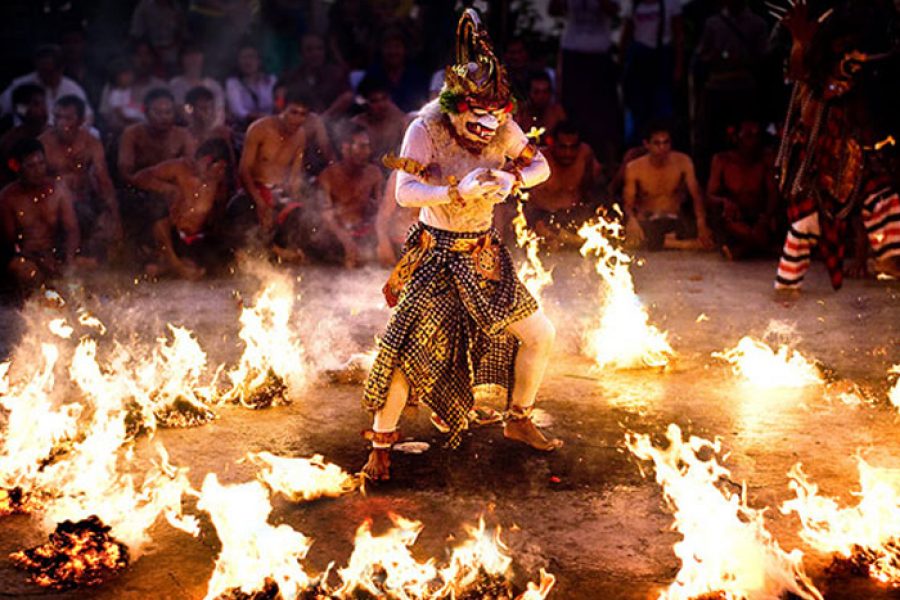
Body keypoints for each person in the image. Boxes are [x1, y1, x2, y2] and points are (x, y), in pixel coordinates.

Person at [362, 10, 561, 482]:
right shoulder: (424, 128)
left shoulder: (504, 127)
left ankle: (519, 418)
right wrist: (455, 192)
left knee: (540, 334)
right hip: (435, 255)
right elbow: (403, 192)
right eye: (477, 118)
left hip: (483, 254)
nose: (487, 129)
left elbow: (542, 167)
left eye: (496, 119)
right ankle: (380, 447)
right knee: (407, 355)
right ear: (456, 105)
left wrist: (512, 179)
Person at [772, 0, 900, 291]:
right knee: (805, 226)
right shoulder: (812, 79)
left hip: (850, 159)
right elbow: (797, 72)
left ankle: (891, 256)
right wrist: (799, 43)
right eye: (844, 47)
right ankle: (787, 286)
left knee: (883, 195)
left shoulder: (856, 85)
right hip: (813, 164)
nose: (851, 53)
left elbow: (863, 121)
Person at [131, 138, 232, 279]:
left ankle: (168, 265)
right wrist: (171, 190)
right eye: (219, 168)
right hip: (167, 235)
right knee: (155, 205)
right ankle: (175, 264)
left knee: (202, 268)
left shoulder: (219, 184)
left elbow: (217, 220)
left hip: (191, 241)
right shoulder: (179, 168)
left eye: (223, 169)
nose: (221, 173)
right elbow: (138, 178)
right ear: (206, 161)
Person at [39, 96, 122, 259]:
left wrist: (114, 216)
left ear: (81, 120)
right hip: (51, 205)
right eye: (57, 117)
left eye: (68, 118)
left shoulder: (91, 143)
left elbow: (103, 179)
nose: (61, 123)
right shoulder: (43, 144)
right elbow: (32, 182)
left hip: (85, 200)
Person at [232, 86, 311, 257]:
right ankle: (270, 252)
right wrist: (260, 202)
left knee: (305, 217)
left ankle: (280, 251)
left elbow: (296, 175)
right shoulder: (259, 129)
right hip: (254, 191)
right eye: (293, 112)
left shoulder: (301, 135)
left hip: (279, 194)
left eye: (302, 114)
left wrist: (294, 201)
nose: (297, 119)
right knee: (240, 211)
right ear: (282, 108)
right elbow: (243, 170)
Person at [0, 138, 83, 290]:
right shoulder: (8, 197)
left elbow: (72, 229)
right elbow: (9, 243)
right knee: (25, 271)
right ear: (18, 167)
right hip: (26, 258)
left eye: (41, 164)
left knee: (89, 265)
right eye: (31, 166)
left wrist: (68, 257)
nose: (38, 170)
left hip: (55, 254)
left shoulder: (57, 190)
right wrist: (34, 259)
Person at [549, 0, 623, 164]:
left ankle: (604, 161)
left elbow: (615, 10)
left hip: (599, 53)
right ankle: (572, 155)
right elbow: (553, 9)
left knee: (604, 112)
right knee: (573, 108)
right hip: (573, 51)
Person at [623, 121, 714, 251]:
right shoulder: (634, 168)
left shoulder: (683, 161)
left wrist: (701, 223)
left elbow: (696, 195)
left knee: (708, 231)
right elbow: (628, 203)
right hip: (650, 221)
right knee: (635, 235)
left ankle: (669, 241)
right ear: (646, 144)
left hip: (675, 218)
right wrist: (631, 220)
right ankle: (682, 244)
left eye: (666, 143)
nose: (662, 147)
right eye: (657, 143)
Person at [706, 119, 777, 259]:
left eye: (756, 136)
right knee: (732, 224)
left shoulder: (765, 160)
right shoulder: (722, 160)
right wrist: (725, 202)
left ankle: (745, 248)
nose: (753, 141)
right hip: (733, 217)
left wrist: (765, 218)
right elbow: (710, 195)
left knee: (768, 229)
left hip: (758, 217)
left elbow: (773, 193)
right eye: (748, 136)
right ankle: (757, 246)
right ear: (736, 138)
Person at [526, 121, 603, 248]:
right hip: (541, 219)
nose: (568, 153)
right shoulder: (538, 161)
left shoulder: (586, 155)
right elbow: (523, 200)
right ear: (552, 144)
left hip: (574, 217)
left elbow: (593, 191)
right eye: (563, 147)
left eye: (573, 147)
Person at [317, 124, 383, 267]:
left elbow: (381, 209)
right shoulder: (328, 175)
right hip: (336, 236)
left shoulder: (374, 173)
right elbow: (326, 214)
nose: (367, 151)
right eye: (362, 147)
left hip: (363, 233)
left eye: (368, 147)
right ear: (345, 148)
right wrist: (345, 239)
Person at [620, 0, 684, 146]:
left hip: (662, 59)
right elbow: (626, 33)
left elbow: (679, 35)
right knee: (637, 112)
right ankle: (637, 147)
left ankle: (664, 145)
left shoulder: (670, 4)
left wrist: (678, 67)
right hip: (639, 60)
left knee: (662, 111)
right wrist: (622, 62)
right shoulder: (634, 5)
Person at [118, 88, 196, 186]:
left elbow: (192, 168)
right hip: (139, 189)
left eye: (168, 112)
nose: (164, 117)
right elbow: (125, 172)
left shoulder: (183, 135)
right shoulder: (132, 134)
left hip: (175, 189)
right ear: (146, 112)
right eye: (158, 113)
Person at [0, 45, 94, 126]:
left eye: (48, 71)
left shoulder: (72, 88)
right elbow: (6, 107)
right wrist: (27, 111)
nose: (43, 75)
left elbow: (87, 116)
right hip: (28, 136)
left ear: (60, 69)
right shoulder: (21, 84)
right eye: (41, 71)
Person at [281, 33, 352, 118]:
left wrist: (323, 118)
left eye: (320, 49)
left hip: (332, 123)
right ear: (301, 53)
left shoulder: (336, 74)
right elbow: (280, 99)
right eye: (309, 50)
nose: (315, 53)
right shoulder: (292, 77)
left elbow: (348, 96)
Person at [363, 29, 429, 113]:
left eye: (397, 46)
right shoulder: (373, 75)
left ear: (405, 50)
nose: (393, 51)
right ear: (381, 50)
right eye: (388, 47)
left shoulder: (417, 75)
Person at [351, 75, 409, 166]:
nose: (381, 105)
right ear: (365, 104)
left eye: (384, 98)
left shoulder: (400, 121)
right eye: (375, 101)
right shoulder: (357, 124)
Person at [0, 85, 48, 185]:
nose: (43, 109)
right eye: (36, 104)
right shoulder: (9, 142)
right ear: (21, 109)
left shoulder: (56, 134)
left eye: (44, 103)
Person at [225, 43, 277, 132]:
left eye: (251, 57)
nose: (248, 61)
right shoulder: (233, 83)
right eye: (244, 57)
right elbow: (238, 111)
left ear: (259, 60)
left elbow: (277, 104)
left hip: (272, 127)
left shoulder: (271, 81)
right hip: (245, 129)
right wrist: (259, 117)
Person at [169, 45, 226, 126]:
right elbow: (182, 110)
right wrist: (198, 129)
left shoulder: (214, 85)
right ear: (182, 59)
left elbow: (219, 112)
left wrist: (211, 129)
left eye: (196, 55)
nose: (193, 59)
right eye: (189, 55)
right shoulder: (176, 84)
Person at [129, 0, 186, 75]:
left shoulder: (176, 7)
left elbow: (181, 32)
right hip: (150, 48)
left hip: (172, 50)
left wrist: (172, 47)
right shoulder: (144, 6)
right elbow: (136, 33)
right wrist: (152, 49)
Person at [514, 71, 567, 144]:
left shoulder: (557, 112)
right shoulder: (520, 112)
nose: (541, 97)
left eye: (545, 92)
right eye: (536, 92)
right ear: (529, 93)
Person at [184, 86, 234, 157]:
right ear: (190, 110)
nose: (208, 112)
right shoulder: (185, 136)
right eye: (202, 108)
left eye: (211, 107)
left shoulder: (223, 133)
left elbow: (232, 163)